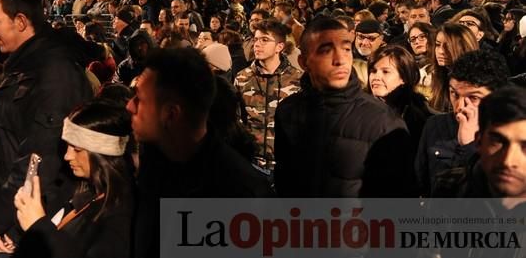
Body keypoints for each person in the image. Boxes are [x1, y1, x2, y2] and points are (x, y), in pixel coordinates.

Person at [0, 0, 94, 251]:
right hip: (17, 216)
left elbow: (39, 160)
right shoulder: (23, 66)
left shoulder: (54, 74)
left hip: (31, 222)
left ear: (20, 21)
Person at [128, 48, 272, 258]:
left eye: (139, 98)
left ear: (171, 114)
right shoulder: (153, 165)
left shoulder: (240, 197)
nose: (129, 106)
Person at [275, 18, 413, 198]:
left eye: (347, 49)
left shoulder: (384, 123)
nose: (340, 60)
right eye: (326, 51)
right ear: (304, 62)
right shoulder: (288, 110)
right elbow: (285, 180)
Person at [14, 100, 133, 258]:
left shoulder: (119, 215)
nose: (67, 156)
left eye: (77, 149)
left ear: (102, 154)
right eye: (67, 146)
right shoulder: (82, 189)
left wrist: (38, 225)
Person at [415, 49, 509, 197]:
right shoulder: (434, 125)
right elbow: (420, 184)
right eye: (455, 94)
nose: (460, 106)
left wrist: (471, 147)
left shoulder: (513, 136)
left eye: (474, 98)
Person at [233, 19, 302, 172]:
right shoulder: (242, 78)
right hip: (251, 163)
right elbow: (236, 121)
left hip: (288, 166)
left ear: (279, 47)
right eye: (256, 39)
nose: (257, 44)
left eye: (264, 40)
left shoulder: (298, 80)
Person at [367, 45, 432, 161]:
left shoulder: (419, 117)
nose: (376, 77)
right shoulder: (360, 111)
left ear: (404, 78)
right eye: (373, 71)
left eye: (385, 72)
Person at [429, 23, 479, 112]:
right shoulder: (440, 75)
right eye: (437, 45)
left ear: (464, 47)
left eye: (447, 46)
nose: (441, 51)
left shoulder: (477, 82)